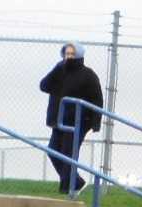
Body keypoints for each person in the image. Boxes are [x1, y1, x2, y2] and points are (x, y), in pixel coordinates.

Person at [40, 43, 103, 194]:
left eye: (71, 54)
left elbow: (97, 99)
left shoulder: (88, 75)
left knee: (68, 154)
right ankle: (76, 182)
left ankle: (68, 188)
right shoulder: (59, 71)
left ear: (79, 55)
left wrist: (95, 122)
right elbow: (44, 86)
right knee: (53, 151)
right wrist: (57, 68)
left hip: (78, 122)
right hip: (59, 121)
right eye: (66, 54)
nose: (68, 57)